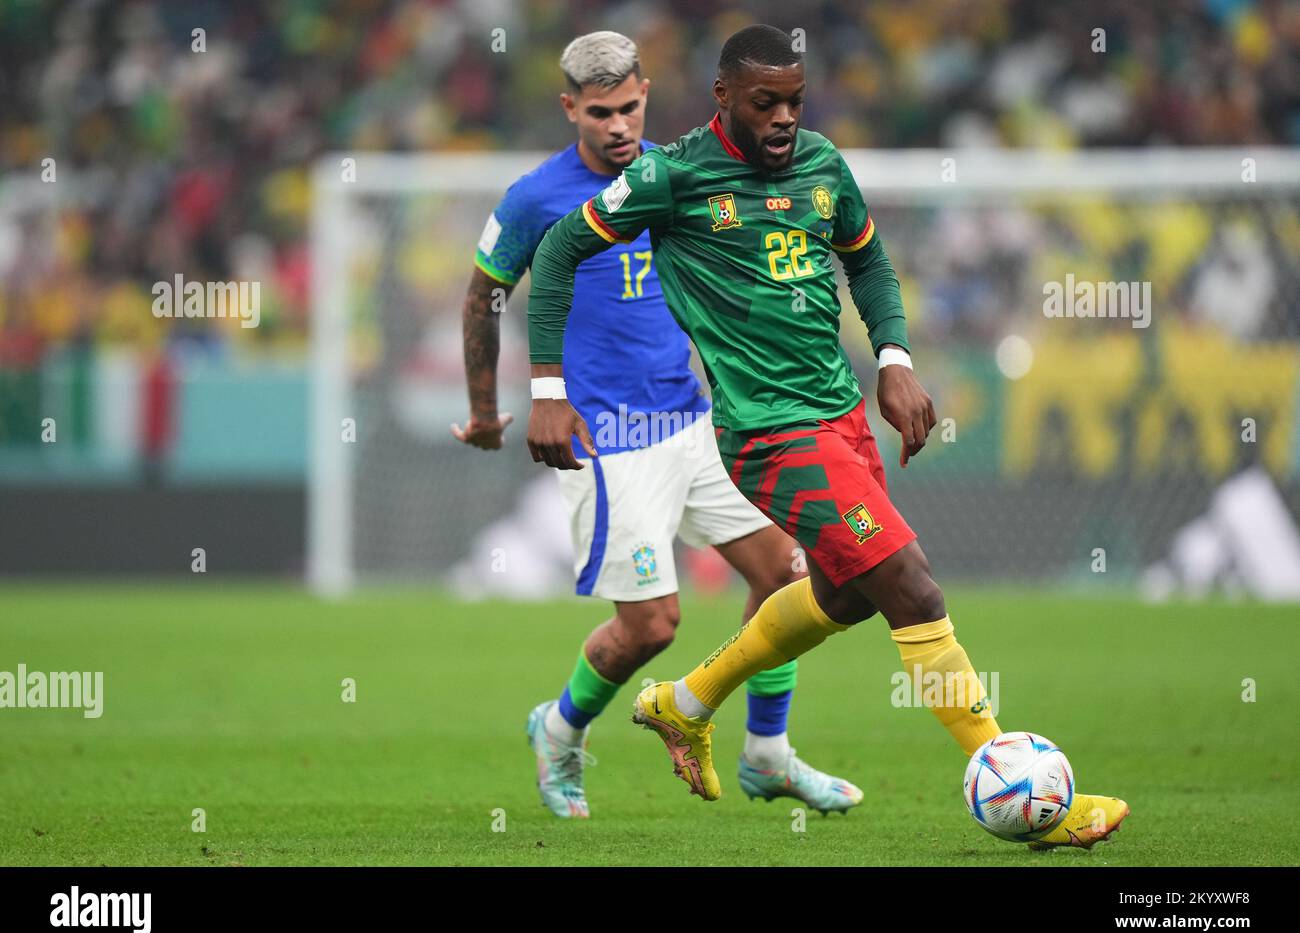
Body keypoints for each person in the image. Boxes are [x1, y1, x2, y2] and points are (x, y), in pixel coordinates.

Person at [523, 24, 1128, 848]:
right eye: (765, 102)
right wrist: (548, 390)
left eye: (795, 102)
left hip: (840, 415)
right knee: (911, 586)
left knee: (845, 593)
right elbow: (557, 254)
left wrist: (895, 356)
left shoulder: (822, 164)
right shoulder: (672, 176)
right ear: (724, 99)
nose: (782, 119)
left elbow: (869, 262)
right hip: (768, 433)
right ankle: (1016, 789)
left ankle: (686, 702)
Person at [455, 30, 862, 819]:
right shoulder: (536, 197)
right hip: (609, 444)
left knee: (787, 573)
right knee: (651, 628)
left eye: (630, 108)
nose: (617, 127)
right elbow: (483, 296)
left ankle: (769, 755)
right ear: (570, 107)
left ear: (647, 93)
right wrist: (486, 410)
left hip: (697, 421)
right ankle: (560, 730)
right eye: (599, 113)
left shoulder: (679, 173)